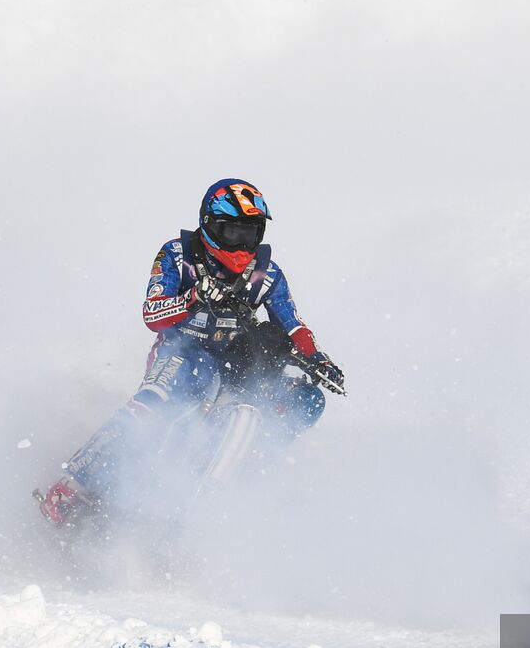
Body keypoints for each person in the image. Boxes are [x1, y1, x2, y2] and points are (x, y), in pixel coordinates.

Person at [37, 178, 344, 525]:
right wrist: (193, 298)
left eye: (251, 233)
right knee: (154, 404)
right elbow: (152, 314)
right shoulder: (177, 255)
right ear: (210, 225)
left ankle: (240, 481)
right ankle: (73, 484)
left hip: (237, 364)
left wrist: (318, 359)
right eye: (233, 233)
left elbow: (292, 324)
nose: (243, 245)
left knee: (308, 400)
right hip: (181, 352)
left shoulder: (267, 274)